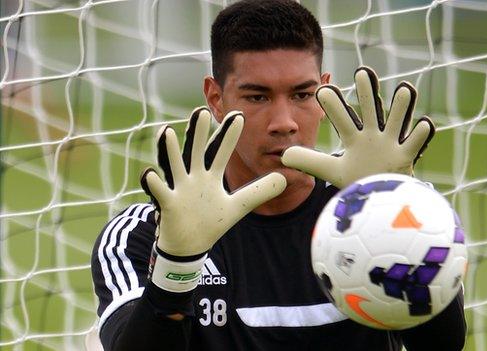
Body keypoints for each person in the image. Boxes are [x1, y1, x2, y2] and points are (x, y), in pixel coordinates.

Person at [91, 0, 466, 350]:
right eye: (258, 97)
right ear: (215, 98)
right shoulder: (146, 233)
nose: (284, 123)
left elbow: (441, 343)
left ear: (324, 90)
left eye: (302, 95)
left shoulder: (393, 207)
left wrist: (397, 213)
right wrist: (176, 267)